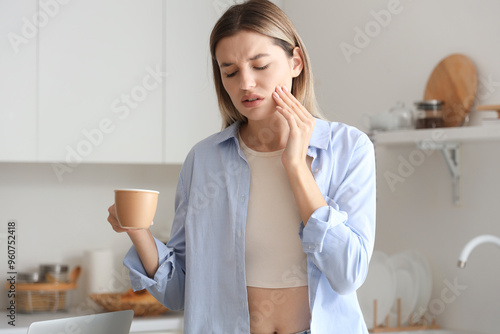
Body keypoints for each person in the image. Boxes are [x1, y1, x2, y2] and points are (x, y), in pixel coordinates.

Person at [107, 0, 376, 333]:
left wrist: (295, 166)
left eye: (260, 65)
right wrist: (137, 230)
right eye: (230, 72)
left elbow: (348, 274)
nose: (245, 83)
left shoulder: (349, 149)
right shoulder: (204, 160)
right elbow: (178, 291)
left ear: (296, 62)